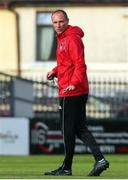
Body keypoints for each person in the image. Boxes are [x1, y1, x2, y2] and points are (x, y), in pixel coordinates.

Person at [44, 9, 109, 176]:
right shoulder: (64, 39)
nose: (58, 25)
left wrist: (73, 83)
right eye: (55, 22)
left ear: (67, 21)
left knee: (67, 130)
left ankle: (66, 168)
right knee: (80, 128)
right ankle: (99, 159)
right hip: (75, 89)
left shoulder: (71, 39)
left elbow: (80, 65)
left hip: (71, 91)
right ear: (52, 24)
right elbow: (67, 64)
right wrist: (55, 71)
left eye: (61, 21)